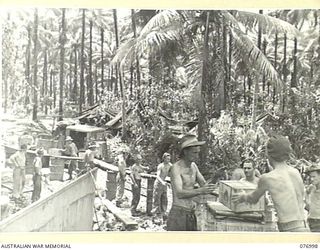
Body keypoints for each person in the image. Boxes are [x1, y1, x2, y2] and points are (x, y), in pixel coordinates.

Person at [232, 135, 309, 232]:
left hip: (289, 230)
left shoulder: (267, 178)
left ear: (268, 154)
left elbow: (253, 199)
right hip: (304, 227)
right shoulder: (295, 172)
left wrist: (242, 196)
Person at [167, 134, 216, 231]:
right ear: (185, 151)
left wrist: (216, 177)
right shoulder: (176, 168)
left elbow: (205, 186)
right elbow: (179, 193)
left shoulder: (193, 166)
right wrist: (200, 190)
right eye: (194, 153)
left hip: (191, 213)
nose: (197, 155)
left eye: (198, 153)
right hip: (178, 214)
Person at [151, 152, 172, 217]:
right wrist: (162, 182)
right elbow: (158, 176)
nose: (169, 160)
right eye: (167, 159)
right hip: (158, 184)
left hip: (164, 184)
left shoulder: (170, 165)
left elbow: (173, 174)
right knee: (157, 199)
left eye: (169, 159)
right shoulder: (160, 166)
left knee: (164, 199)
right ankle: (156, 214)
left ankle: (164, 213)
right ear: (164, 159)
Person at [305, 164, 320, 232]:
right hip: (311, 220)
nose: (311, 179)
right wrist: (307, 203)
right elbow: (306, 193)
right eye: (310, 177)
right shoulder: (311, 187)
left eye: (314, 176)